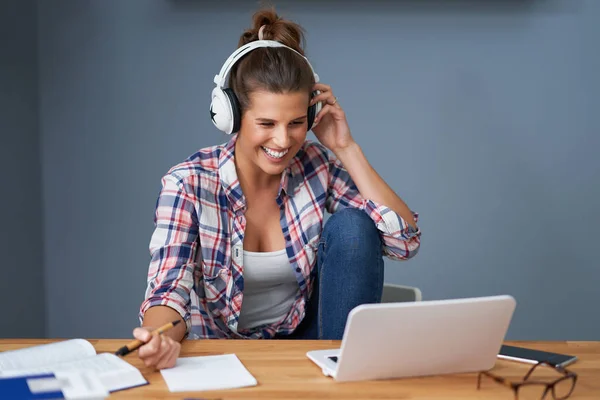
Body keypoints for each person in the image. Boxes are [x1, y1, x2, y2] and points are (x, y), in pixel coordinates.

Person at [133, 8, 421, 370]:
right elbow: (168, 289)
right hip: (220, 353)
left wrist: (346, 148)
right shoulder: (188, 183)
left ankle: (345, 375)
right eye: (266, 123)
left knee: (353, 226)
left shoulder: (315, 165)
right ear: (231, 117)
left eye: (297, 122)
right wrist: (159, 339)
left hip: (308, 340)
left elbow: (404, 242)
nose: (283, 140)